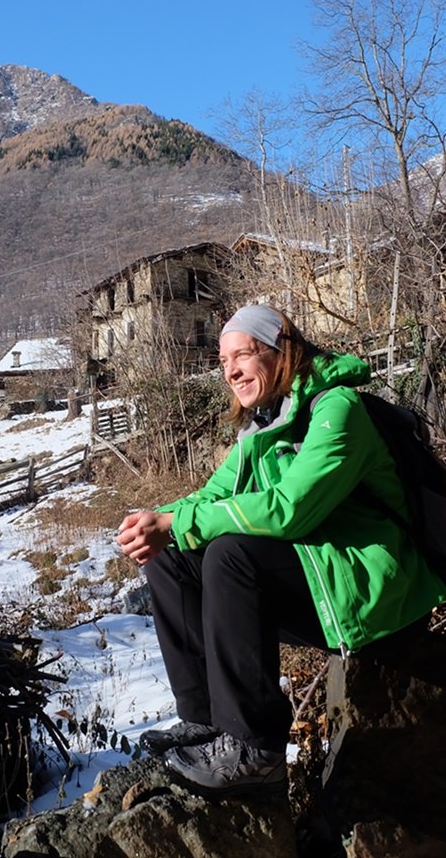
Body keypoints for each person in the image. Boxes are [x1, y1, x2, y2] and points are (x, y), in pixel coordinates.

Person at [116, 304, 446, 797]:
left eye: (243, 354)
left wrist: (176, 522)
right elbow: (209, 497)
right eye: (223, 360)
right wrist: (154, 521)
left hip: (374, 588)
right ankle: (205, 720)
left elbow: (293, 508)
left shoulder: (338, 410)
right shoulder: (262, 430)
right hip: (321, 578)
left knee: (231, 554)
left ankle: (256, 749)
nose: (230, 370)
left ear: (281, 352)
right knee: (172, 555)